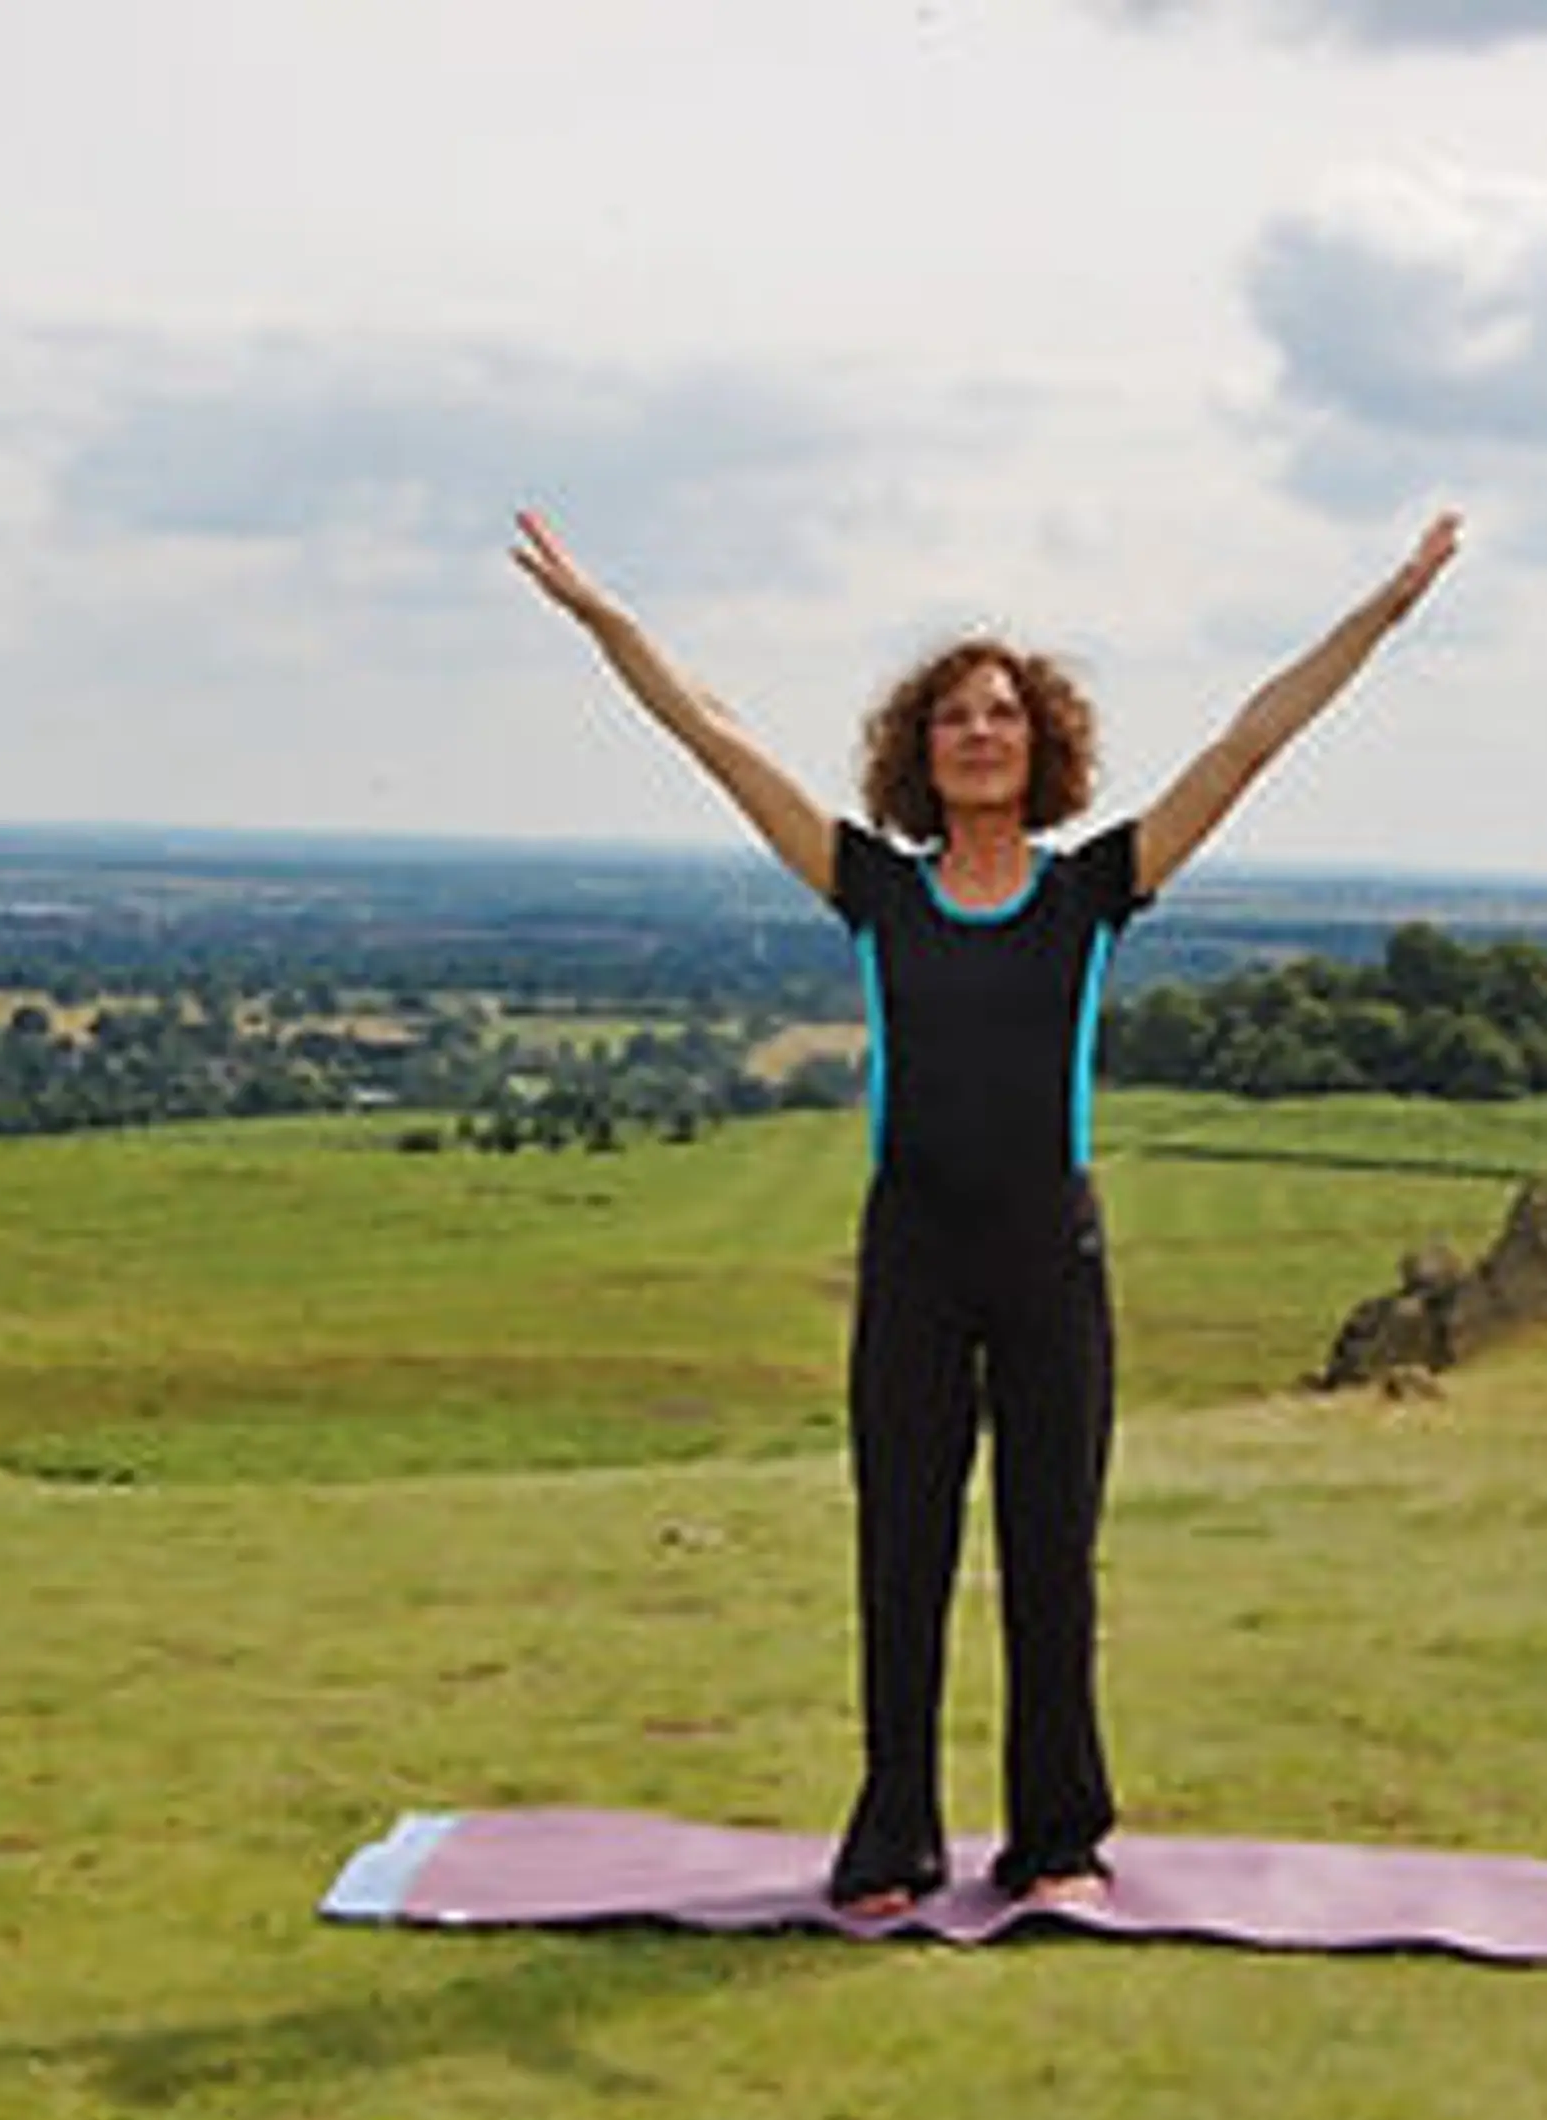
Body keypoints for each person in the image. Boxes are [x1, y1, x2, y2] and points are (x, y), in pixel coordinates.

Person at [512, 505, 1461, 1915]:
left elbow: (1249, 743)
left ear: (1041, 744)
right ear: (920, 748)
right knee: (901, 1546)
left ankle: (1057, 1838)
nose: (978, 732)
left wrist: (1386, 606)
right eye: (953, 715)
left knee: (1049, 1556)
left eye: (1003, 713)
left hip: (1046, 1258)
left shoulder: (1094, 890)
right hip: (913, 1255)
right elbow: (714, 736)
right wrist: (604, 621)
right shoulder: (873, 891)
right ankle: (891, 1837)